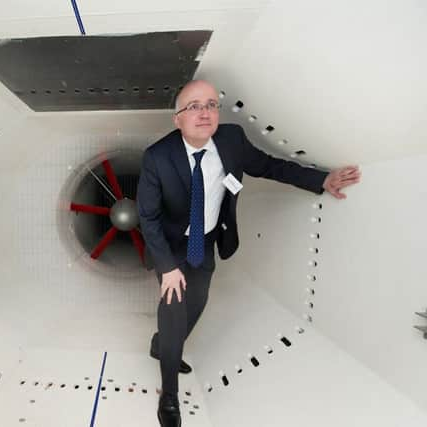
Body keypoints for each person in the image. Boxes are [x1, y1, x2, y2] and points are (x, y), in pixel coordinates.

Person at [136, 80, 361, 427]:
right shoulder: (157, 157)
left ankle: (162, 345)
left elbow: (271, 166)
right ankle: (169, 393)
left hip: (205, 241)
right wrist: (167, 267)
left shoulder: (232, 140)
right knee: (174, 309)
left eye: (211, 104)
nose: (204, 112)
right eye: (194, 106)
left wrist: (322, 180)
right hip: (171, 244)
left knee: (198, 302)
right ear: (177, 119)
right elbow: (147, 217)